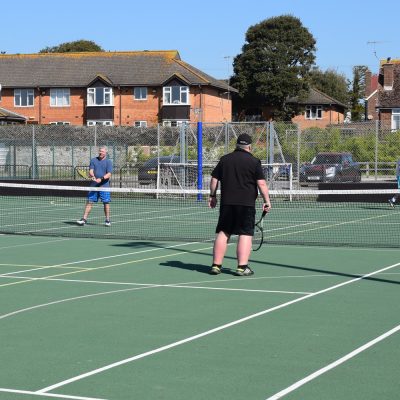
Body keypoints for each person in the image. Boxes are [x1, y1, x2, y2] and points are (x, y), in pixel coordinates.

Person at [208, 133, 271, 276]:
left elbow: (213, 179)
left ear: (237, 145)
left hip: (227, 204)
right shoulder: (254, 162)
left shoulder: (225, 159)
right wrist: (267, 201)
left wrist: (212, 196)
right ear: (249, 147)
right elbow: (261, 183)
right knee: (245, 234)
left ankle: (216, 265)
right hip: (246, 204)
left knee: (223, 232)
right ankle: (242, 267)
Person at [77, 146, 113, 226]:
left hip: (104, 186)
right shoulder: (93, 160)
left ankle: (107, 220)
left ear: (105, 153)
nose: (101, 153)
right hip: (94, 186)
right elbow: (91, 171)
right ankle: (84, 219)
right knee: (89, 202)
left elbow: (109, 174)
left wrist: (101, 179)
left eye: (102, 151)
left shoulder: (108, 162)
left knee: (106, 203)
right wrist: (92, 175)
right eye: (100, 151)